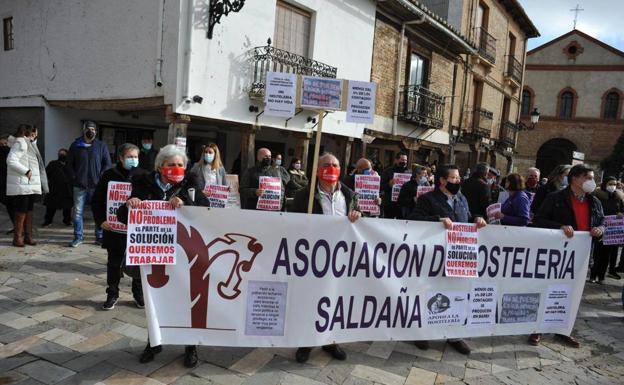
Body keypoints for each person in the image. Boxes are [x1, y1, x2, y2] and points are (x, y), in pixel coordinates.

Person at [116, 144, 198, 368]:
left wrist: (186, 205)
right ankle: (154, 343)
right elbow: (123, 217)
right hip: (155, 258)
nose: (177, 168)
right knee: (155, 302)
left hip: (183, 256)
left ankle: (190, 346)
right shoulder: (142, 184)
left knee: (187, 302)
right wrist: (130, 205)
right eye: (171, 165)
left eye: (180, 165)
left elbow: (205, 213)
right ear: (161, 166)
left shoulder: (190, 184)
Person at [407, 164, 486, 355]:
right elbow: (414, 220)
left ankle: (453, 335)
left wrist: (477, 218)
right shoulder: (428, 199)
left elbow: (466, 217)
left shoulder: (461, 198)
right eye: (454, 178)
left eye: (459, 178)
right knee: (427, 292)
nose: (458, 181)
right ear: (442, 180)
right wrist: (437, 220)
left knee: (455, 293)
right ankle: (420, 332)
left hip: (458, 255)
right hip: (433, 255)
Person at [292, 152, 361, 363]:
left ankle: (330, 340)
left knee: (334, 298)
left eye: (335, 165)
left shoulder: (350, 195)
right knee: (311, 298)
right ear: (317, 170)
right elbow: (293, 224)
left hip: (340, 257)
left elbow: (360, 221)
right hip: (314, 256)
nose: (331, 168)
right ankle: (306, 340)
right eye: (327, 165)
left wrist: (358, 216)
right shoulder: (305, 195)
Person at [531, 164, 605, 348]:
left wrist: (600, 230)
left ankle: (563, 329)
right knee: (547, 290)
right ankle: (536, 328)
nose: (592, 181)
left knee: (571, 294)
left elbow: (603, 222)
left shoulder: (594, 202)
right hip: (556, 256)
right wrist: (560, 227)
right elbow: (538, 220)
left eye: (592, 178)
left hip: (580, 257)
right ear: (575, 178)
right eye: (588, 177)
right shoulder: (555, 198)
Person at [92, 143, 147, 310]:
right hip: (114, 229)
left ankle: (138, 293)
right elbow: (97, 200)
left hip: (138, 230)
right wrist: (101, 221)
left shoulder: (144, 176)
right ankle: (112, 293)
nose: (133, 160)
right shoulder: (109, 175)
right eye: (130, 157)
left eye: (136, 157)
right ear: (121, 158)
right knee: (114, 263)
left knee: (138, 262)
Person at [66, 121, 112, 247]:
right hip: (79, 185)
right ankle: (78, 237)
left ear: (96, 132)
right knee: (77, 213)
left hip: (96, 186)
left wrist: (101, 177)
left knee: (98, 211)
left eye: (93, 129)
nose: (90, 131)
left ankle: (99, 236)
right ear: (84, 130)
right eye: (88, 129)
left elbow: (107, 164)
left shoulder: (101, 146)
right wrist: (75, 178)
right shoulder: (76, 145)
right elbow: (69, 165)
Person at [6, 125, 49, 247]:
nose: (35, 135)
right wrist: (26, 171)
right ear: (27, 133)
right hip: (23, 183)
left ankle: (28, 236)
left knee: (29, 210)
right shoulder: (21, 143)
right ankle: (17, 238)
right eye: (34, 133)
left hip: (28, 184)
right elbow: (11, 160)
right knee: (21, 210)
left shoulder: (28, 143)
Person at [590, 176, 624, 282]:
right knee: (597, 254)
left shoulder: (618, 197)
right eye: (610, 184)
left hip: (612, 230)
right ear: (605, 184)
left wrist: (621, 214)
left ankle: (601, 277)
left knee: (607, 255)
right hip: (600, 228)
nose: (613, 186)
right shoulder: (597, 196)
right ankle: (592, 275)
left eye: (614, 184)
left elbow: (622, 210)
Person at [188, 143, 227, 207]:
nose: (207, 154)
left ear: (215, 155)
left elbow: (224, 185)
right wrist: (200, 192)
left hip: (216, 203)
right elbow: (189, 184)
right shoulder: (196, 167)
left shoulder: (220, 169)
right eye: (206, 152)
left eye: (210, 152)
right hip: (200, 202)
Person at [42, 148, 73, 227]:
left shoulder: (70, 165)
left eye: (63, 154)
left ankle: (67, 221)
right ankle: (48, 221)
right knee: (51, 207)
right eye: (60, 154)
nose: (62, 155)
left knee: (67, 207)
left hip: (66, 189)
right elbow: (46, 174)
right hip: (54, 189)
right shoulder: (52, 164)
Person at [381, 152, 409, 219]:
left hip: (402, 204)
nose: (404, 162)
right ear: (396, 160)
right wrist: (389, 185)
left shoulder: (409, 172)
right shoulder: (388, 171)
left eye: (405, 160)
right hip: (390, 203)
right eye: (402, 160)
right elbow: (381, 186)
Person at [0, 133, 15, 233]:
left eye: (5, 144)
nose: (3, 146)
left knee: (12, 206)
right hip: (4, 183)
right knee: (10, 206)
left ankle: (18, 227)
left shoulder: (11, 154)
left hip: (9, 183)